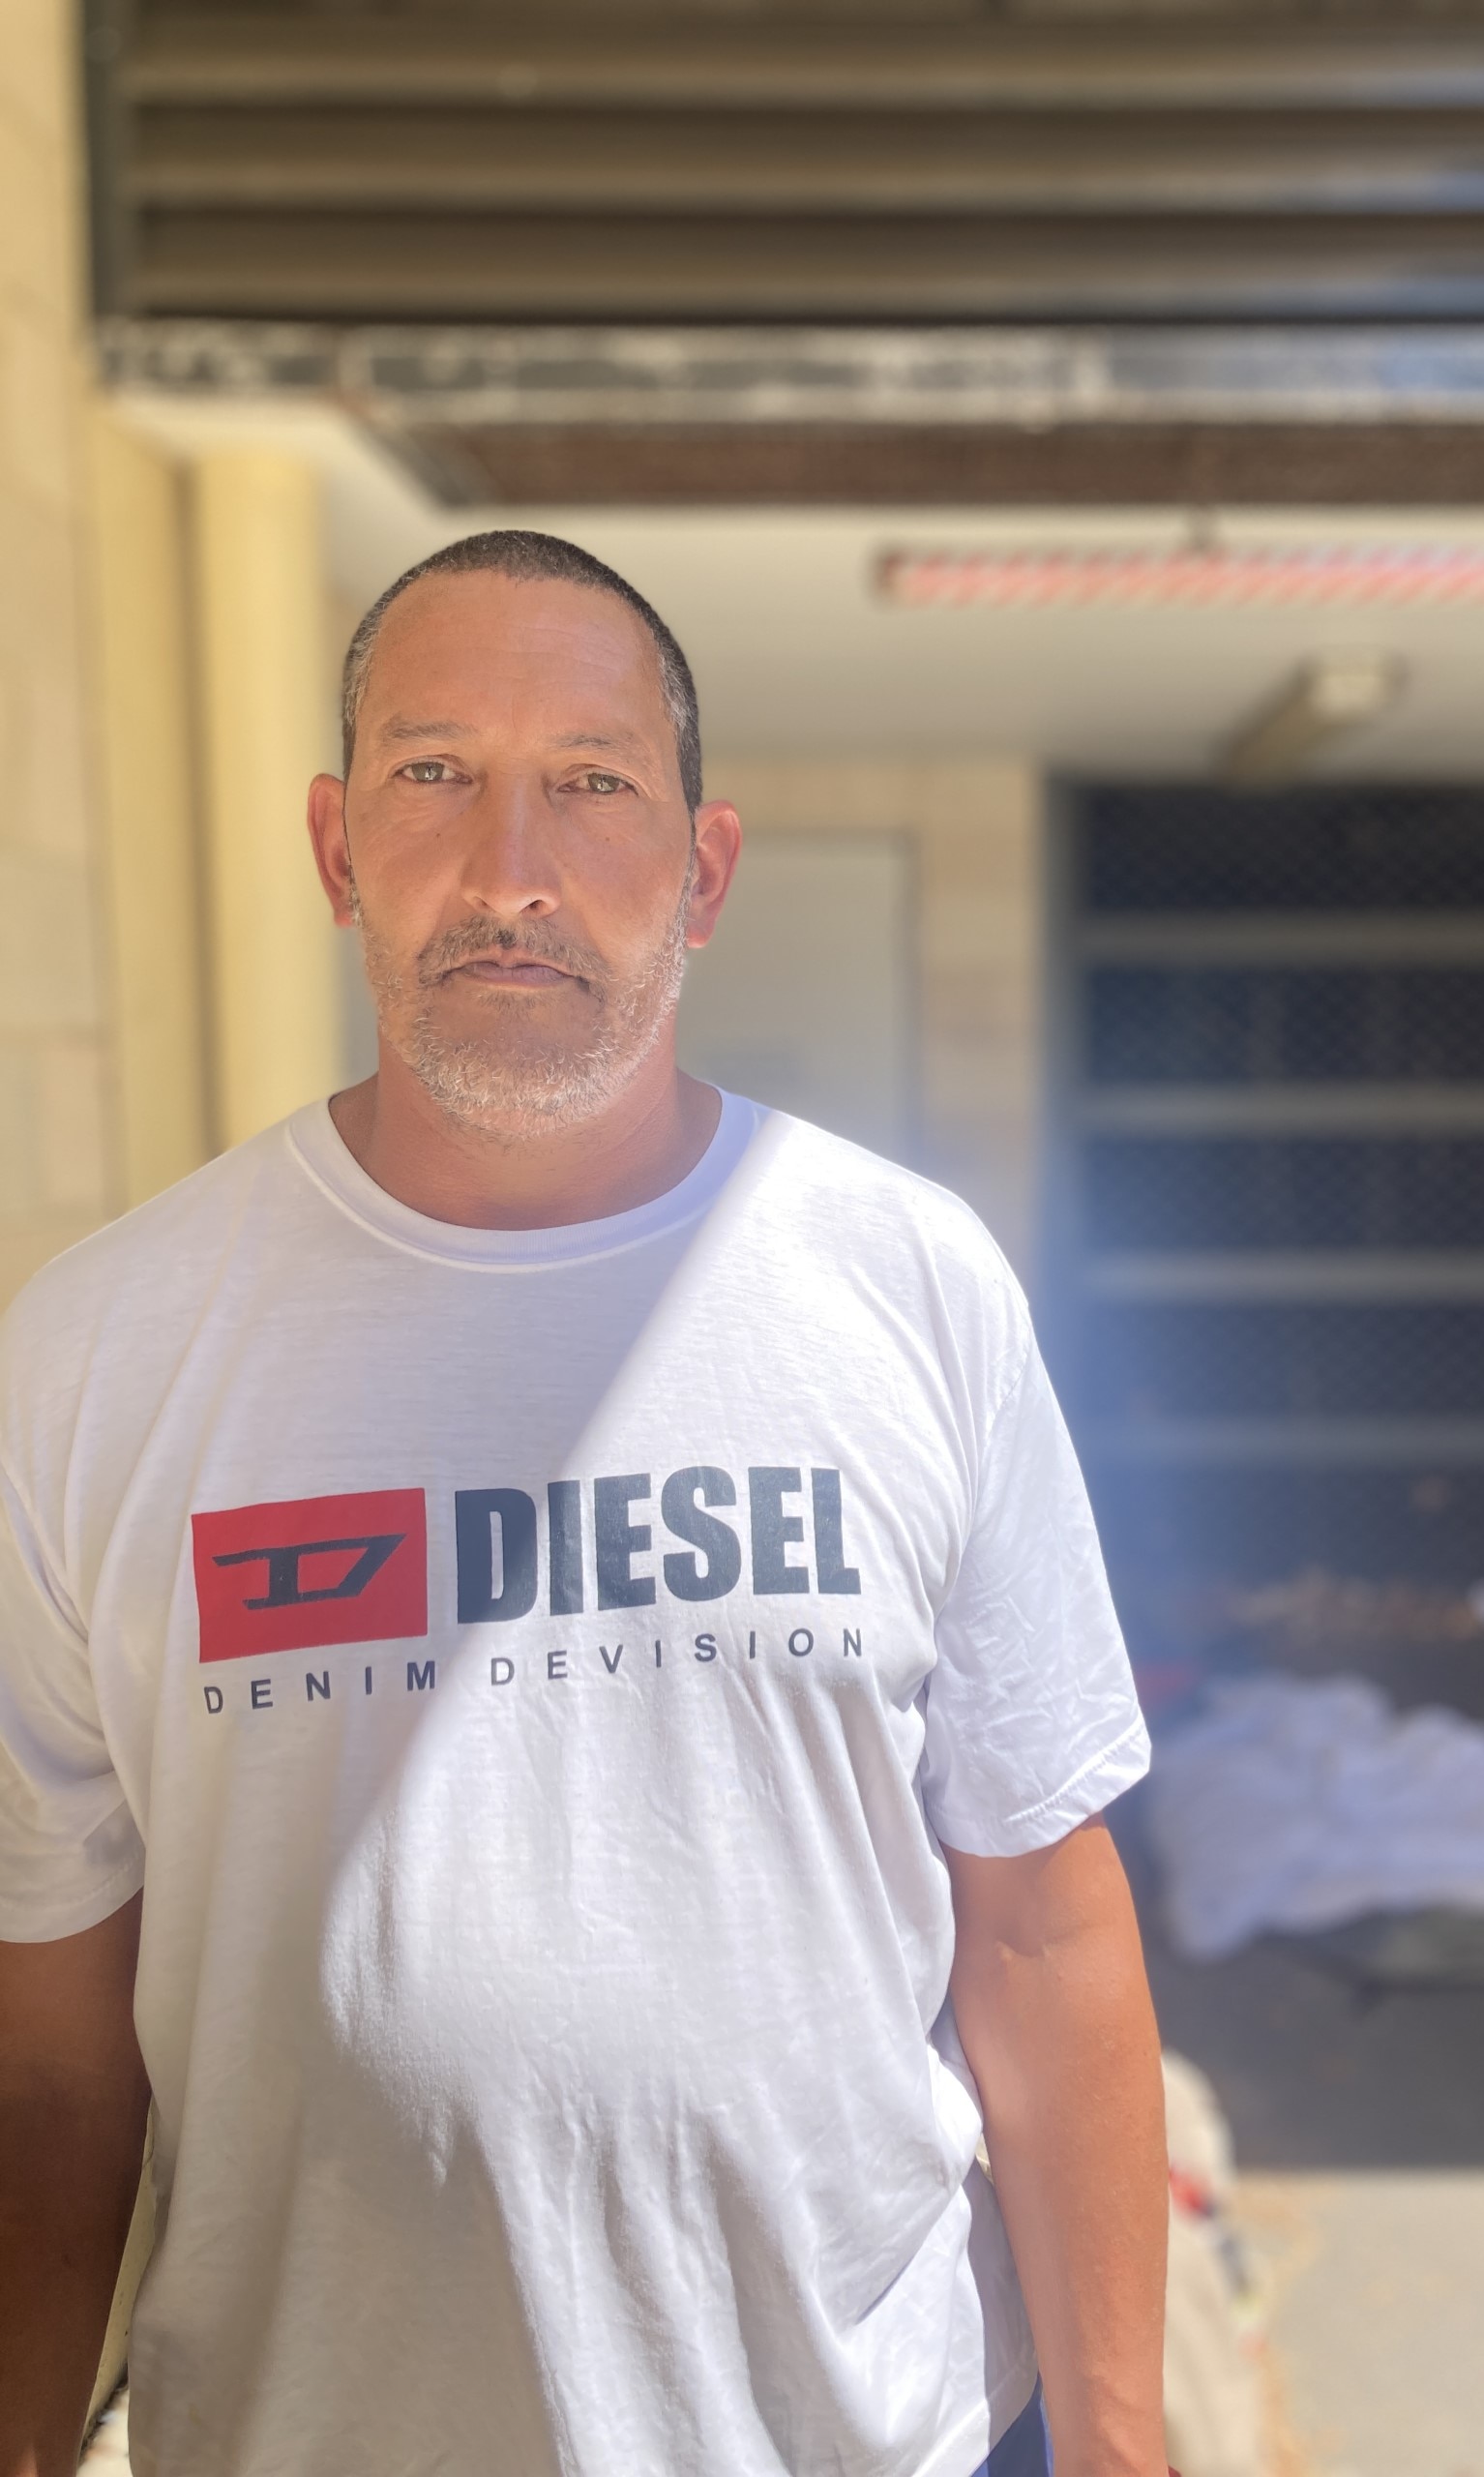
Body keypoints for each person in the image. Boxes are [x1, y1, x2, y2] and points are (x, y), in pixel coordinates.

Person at [0, 531, 1169, 2477]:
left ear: (701, 869)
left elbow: (1045, 1933)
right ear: (333, 846)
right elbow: (50, 2041)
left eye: (594, 782)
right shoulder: (98, 1348)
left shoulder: (908, 1281)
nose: (511, 866)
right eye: (436, 772)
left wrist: (1132, 2448)